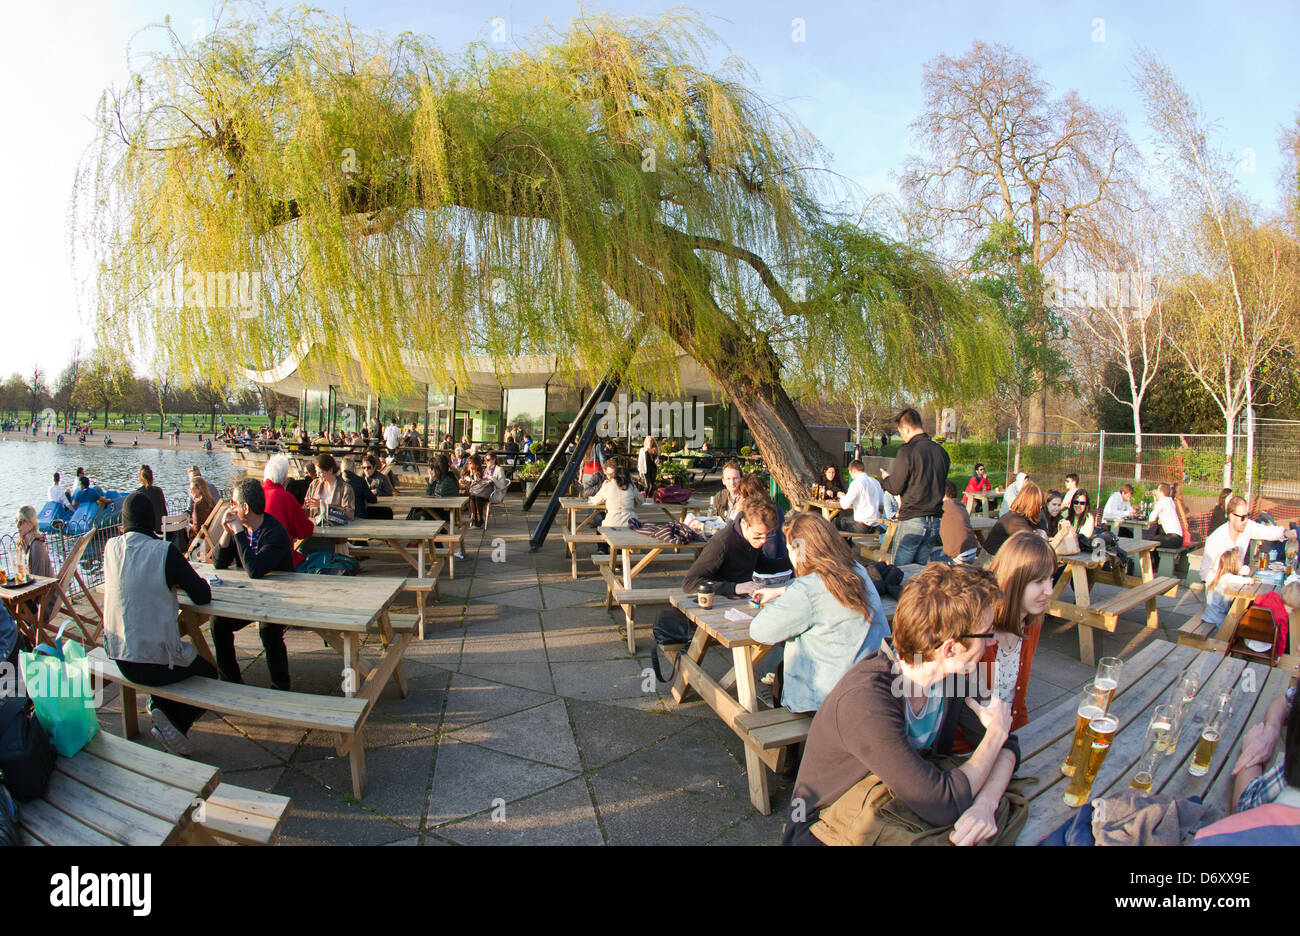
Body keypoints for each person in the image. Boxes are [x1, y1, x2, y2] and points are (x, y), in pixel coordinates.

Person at [781, 563, 1017, 846]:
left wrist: (986, 804)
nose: (992, 643)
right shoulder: (866, 701)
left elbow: (1009, 745)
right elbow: (942, 804)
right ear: (949, 648)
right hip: (824, 828)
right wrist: (994, 735)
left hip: (892, 812)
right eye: (987, 633)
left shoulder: (955, 676)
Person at [102, 492, 215, 756]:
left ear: (123, 522)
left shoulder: (110, 548)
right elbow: (201, 595)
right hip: (156, 661)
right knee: (209, 673)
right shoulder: (164, 553)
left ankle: (160, 705)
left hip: (119, 655)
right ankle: (174, 720)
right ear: (154, 521)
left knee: (168, 666)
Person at [748, 512, 891, 714]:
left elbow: (759, 631)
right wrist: (785, 591)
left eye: (790, 549)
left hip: (827, 700)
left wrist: (787, 598)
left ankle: (795, 740)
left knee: (780, 673)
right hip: (873, 686)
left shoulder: (808, 589)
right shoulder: (857, 570)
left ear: (800, 550)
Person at [955, 533, 1052, 753]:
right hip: (966, 750)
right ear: (1014, 580)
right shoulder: (976, 631)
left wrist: (1025, 737)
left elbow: (1018, 700)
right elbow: (965, 708)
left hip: (1010, 739)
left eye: (1051, 578)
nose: (1050, 590)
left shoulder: (1031, 625)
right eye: (1039, 581)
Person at [211, 478, 296, 691]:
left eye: (234, 503)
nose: (231, 507)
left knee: (269, 631)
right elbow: (218, 563)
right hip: (250, 598)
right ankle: (230, 679)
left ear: (245, 507)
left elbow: (255, 570)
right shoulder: (243, 530)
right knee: (218, 622)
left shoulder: (275, 533)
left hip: (281, 600)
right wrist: (226, 533)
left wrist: (238, 533)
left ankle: (280, 685)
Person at [1196, 695, 1300, 845]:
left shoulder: (1211, 839)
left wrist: (1252, 750)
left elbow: (1247, 810)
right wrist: (1271, 732)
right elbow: (1284, 699)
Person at [1200, 496, 1298, 627]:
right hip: (1219, 597)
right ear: (1231, 516)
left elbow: (1266, 531)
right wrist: (1224, 581)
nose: (1245, 521)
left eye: (1247, 516)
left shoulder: (1246, 527)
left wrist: (1285, 533)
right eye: (1242, 517)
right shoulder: (1216, 539)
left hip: (1235, 588)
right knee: (1238, 624)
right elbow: (1204, 573)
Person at [879, 408, 949, 566]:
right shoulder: (941, 452)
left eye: (901, 433)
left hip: (913, 518)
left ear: (906, 428)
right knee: (918, 573)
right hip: (935, 520)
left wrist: (886, 479)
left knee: (899, 573)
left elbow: (895, 487)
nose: (902, 437)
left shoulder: (907, 451)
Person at [982, 481, 1047, 555]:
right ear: (1031, 504)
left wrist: (1042, 532)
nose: (1041, 507)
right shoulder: (1014, 520)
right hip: (991, 561)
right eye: (1038, 504)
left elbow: (1042, 529)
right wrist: (1041, 535)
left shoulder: (1025, 517)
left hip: (1006, 558)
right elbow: (1034, 546)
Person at [588, 456, 644, 528]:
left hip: (611, 523)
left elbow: (595, 501)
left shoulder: (608, 485)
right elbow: (641, 500)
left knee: (599, 529)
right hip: (629, 522)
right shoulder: (631, 486)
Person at [303, 453, 355, 526]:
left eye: (320, 472)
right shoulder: (314, 484)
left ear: (330, 470)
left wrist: (324, 506)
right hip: (315, 529)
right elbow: (306, 507)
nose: (317, 475)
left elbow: (350, 515)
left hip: (337, 531)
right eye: (316, 471)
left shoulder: (345, 488)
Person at [837, 459, 885, 534]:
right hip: (875, 525)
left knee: (834, 522)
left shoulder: (856, 483)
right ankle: (847, 543)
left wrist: (842, 496)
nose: (851, 476)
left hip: (861, 526)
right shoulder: (875, 482)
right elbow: (882, 502)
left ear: (853, 471)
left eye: (850, 473)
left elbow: (845, 505)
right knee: (847, 519)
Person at [937, 481, 979, 565]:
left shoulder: (943, 507)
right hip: (973, 549)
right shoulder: (960, 505)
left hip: (958, 554)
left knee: (929, 558)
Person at [1144, 482, 1185, 550]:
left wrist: (1155, 500)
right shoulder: (1170, 501)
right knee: (1155, 539)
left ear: (1160, 491)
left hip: (1173, 539)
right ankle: (1156, 560)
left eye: (1157, 490)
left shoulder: (1162, 501)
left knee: (1150, 543)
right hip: (1178, 538)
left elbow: (1151, 518)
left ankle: (1150, 560)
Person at [340, 455, 376, 521]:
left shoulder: (336, 481)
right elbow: (373, 500)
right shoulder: (360, 481)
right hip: (358, 517)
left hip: (340, 517)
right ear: (354, 468)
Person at [133, 465, 168, 534]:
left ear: (139, 479)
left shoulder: (137, 494)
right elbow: (164, 511)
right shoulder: (159, 490)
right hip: (161, 528)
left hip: (147, 531)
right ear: (152, 478)